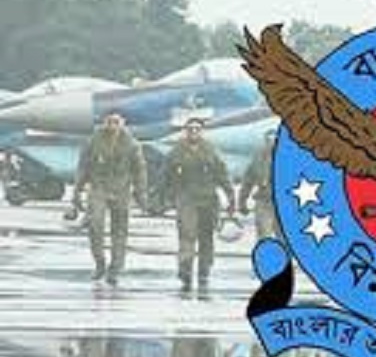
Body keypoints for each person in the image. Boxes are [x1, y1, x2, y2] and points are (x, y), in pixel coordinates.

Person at [72, 112, 147, 285]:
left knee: (119, 231)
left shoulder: (132, 145)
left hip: (121, 190)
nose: (113, 125)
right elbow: (83, 167)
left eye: (116, 122)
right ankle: (100, 263)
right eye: (109, 121)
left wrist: (140, 193)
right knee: (95, 225)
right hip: (99, 188)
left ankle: (115, 268)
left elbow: (140, 170)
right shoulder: (93, 142)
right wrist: (77, 191)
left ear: (123, 123)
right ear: (104, 123)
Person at [164, 118, 235, 293]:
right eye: (190, 129)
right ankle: (185, 270)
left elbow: (222, 173)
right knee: (187, 234)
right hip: (186, 199)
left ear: (202, 131)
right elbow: (165, 176)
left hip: (209, 200)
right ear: (185, 131)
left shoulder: (211, 150)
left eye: (197, 129)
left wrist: (231, 196)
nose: (194, 132)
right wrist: (164, 199)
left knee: (206, 238)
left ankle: (204, 271)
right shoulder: (176, 152)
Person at [237, 129, 280, 240]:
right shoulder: (258, 159)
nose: (272, 142)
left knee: (285, 238)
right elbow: (247, 182)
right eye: (269, 140)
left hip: (283, 202)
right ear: (265, 141)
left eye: (275, 139)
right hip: (264, 201)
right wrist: (242, 202)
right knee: (264, 236)